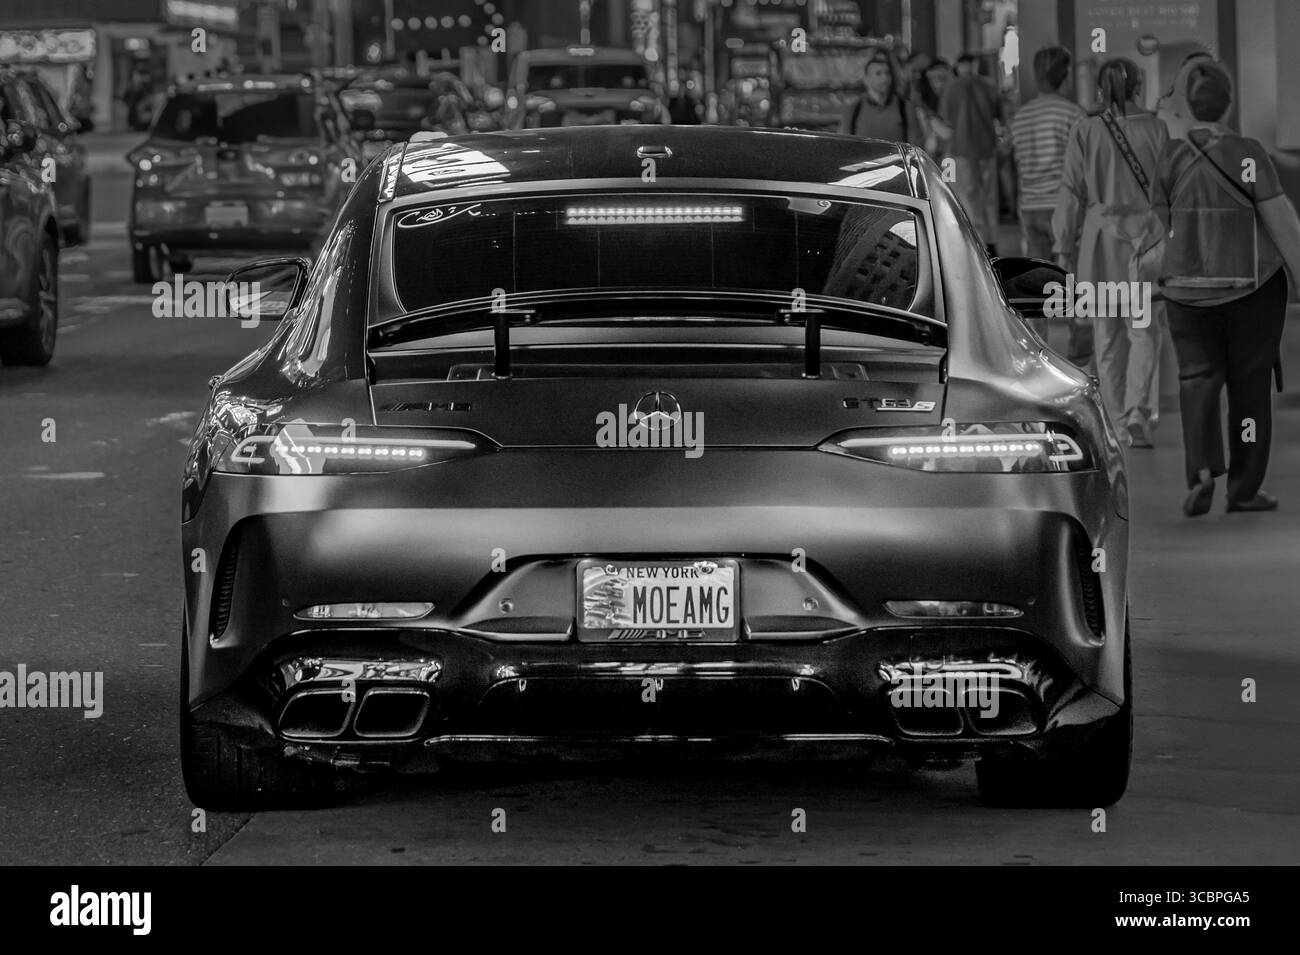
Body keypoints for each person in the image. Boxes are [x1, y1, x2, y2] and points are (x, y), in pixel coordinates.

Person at [1150, 59, 1300, 515]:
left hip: (1187, 293)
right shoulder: (1248, 154)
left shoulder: (1170, 158)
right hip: (1250, 291)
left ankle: (1199, 471)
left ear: (1190, 108)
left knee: (1196, 380)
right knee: (1249, 387)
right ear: (1229, 103)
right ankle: (1244, 488)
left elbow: (1157, 231)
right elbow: (1282, 224)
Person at [1054, 58, 1168, 446]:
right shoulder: (1157, 128)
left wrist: (1062, 246)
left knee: (1107, 335)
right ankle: (1138, 410)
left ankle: (1117, 423)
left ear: (1100, 89)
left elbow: (1071, 191)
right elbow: (1168, 190)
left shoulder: (1086, 130)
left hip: (1100, 245)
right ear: (1137, 86)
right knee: (1144, 331)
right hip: (1146, 242)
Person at [1009, 46, 1089, 363]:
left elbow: (1015, 164)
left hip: (1031, 205)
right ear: (1064, 75)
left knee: (1035, 284)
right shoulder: (1073, 114)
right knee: (1071, 279)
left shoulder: (1021, 115)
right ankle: (1077, 354)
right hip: (1062, 206)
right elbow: (1081, 167)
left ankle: (1040, 352)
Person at [939, 53, 1005, 253]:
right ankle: (992, 242)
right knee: (989, 198)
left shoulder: (952, 87)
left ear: (959, 66)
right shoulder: (990, 85)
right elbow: (1000, 116)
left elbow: (946, 118)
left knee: (968, 197)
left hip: (962, 150)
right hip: (987, 149)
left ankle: (976, 245)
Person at [839, 52, 917, 144]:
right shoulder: (854, 107)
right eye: (878, 73)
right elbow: (843, 143)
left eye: (887, 73)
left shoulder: (904, 107)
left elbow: (914, 145)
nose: (885, 78)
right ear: (866, 79)